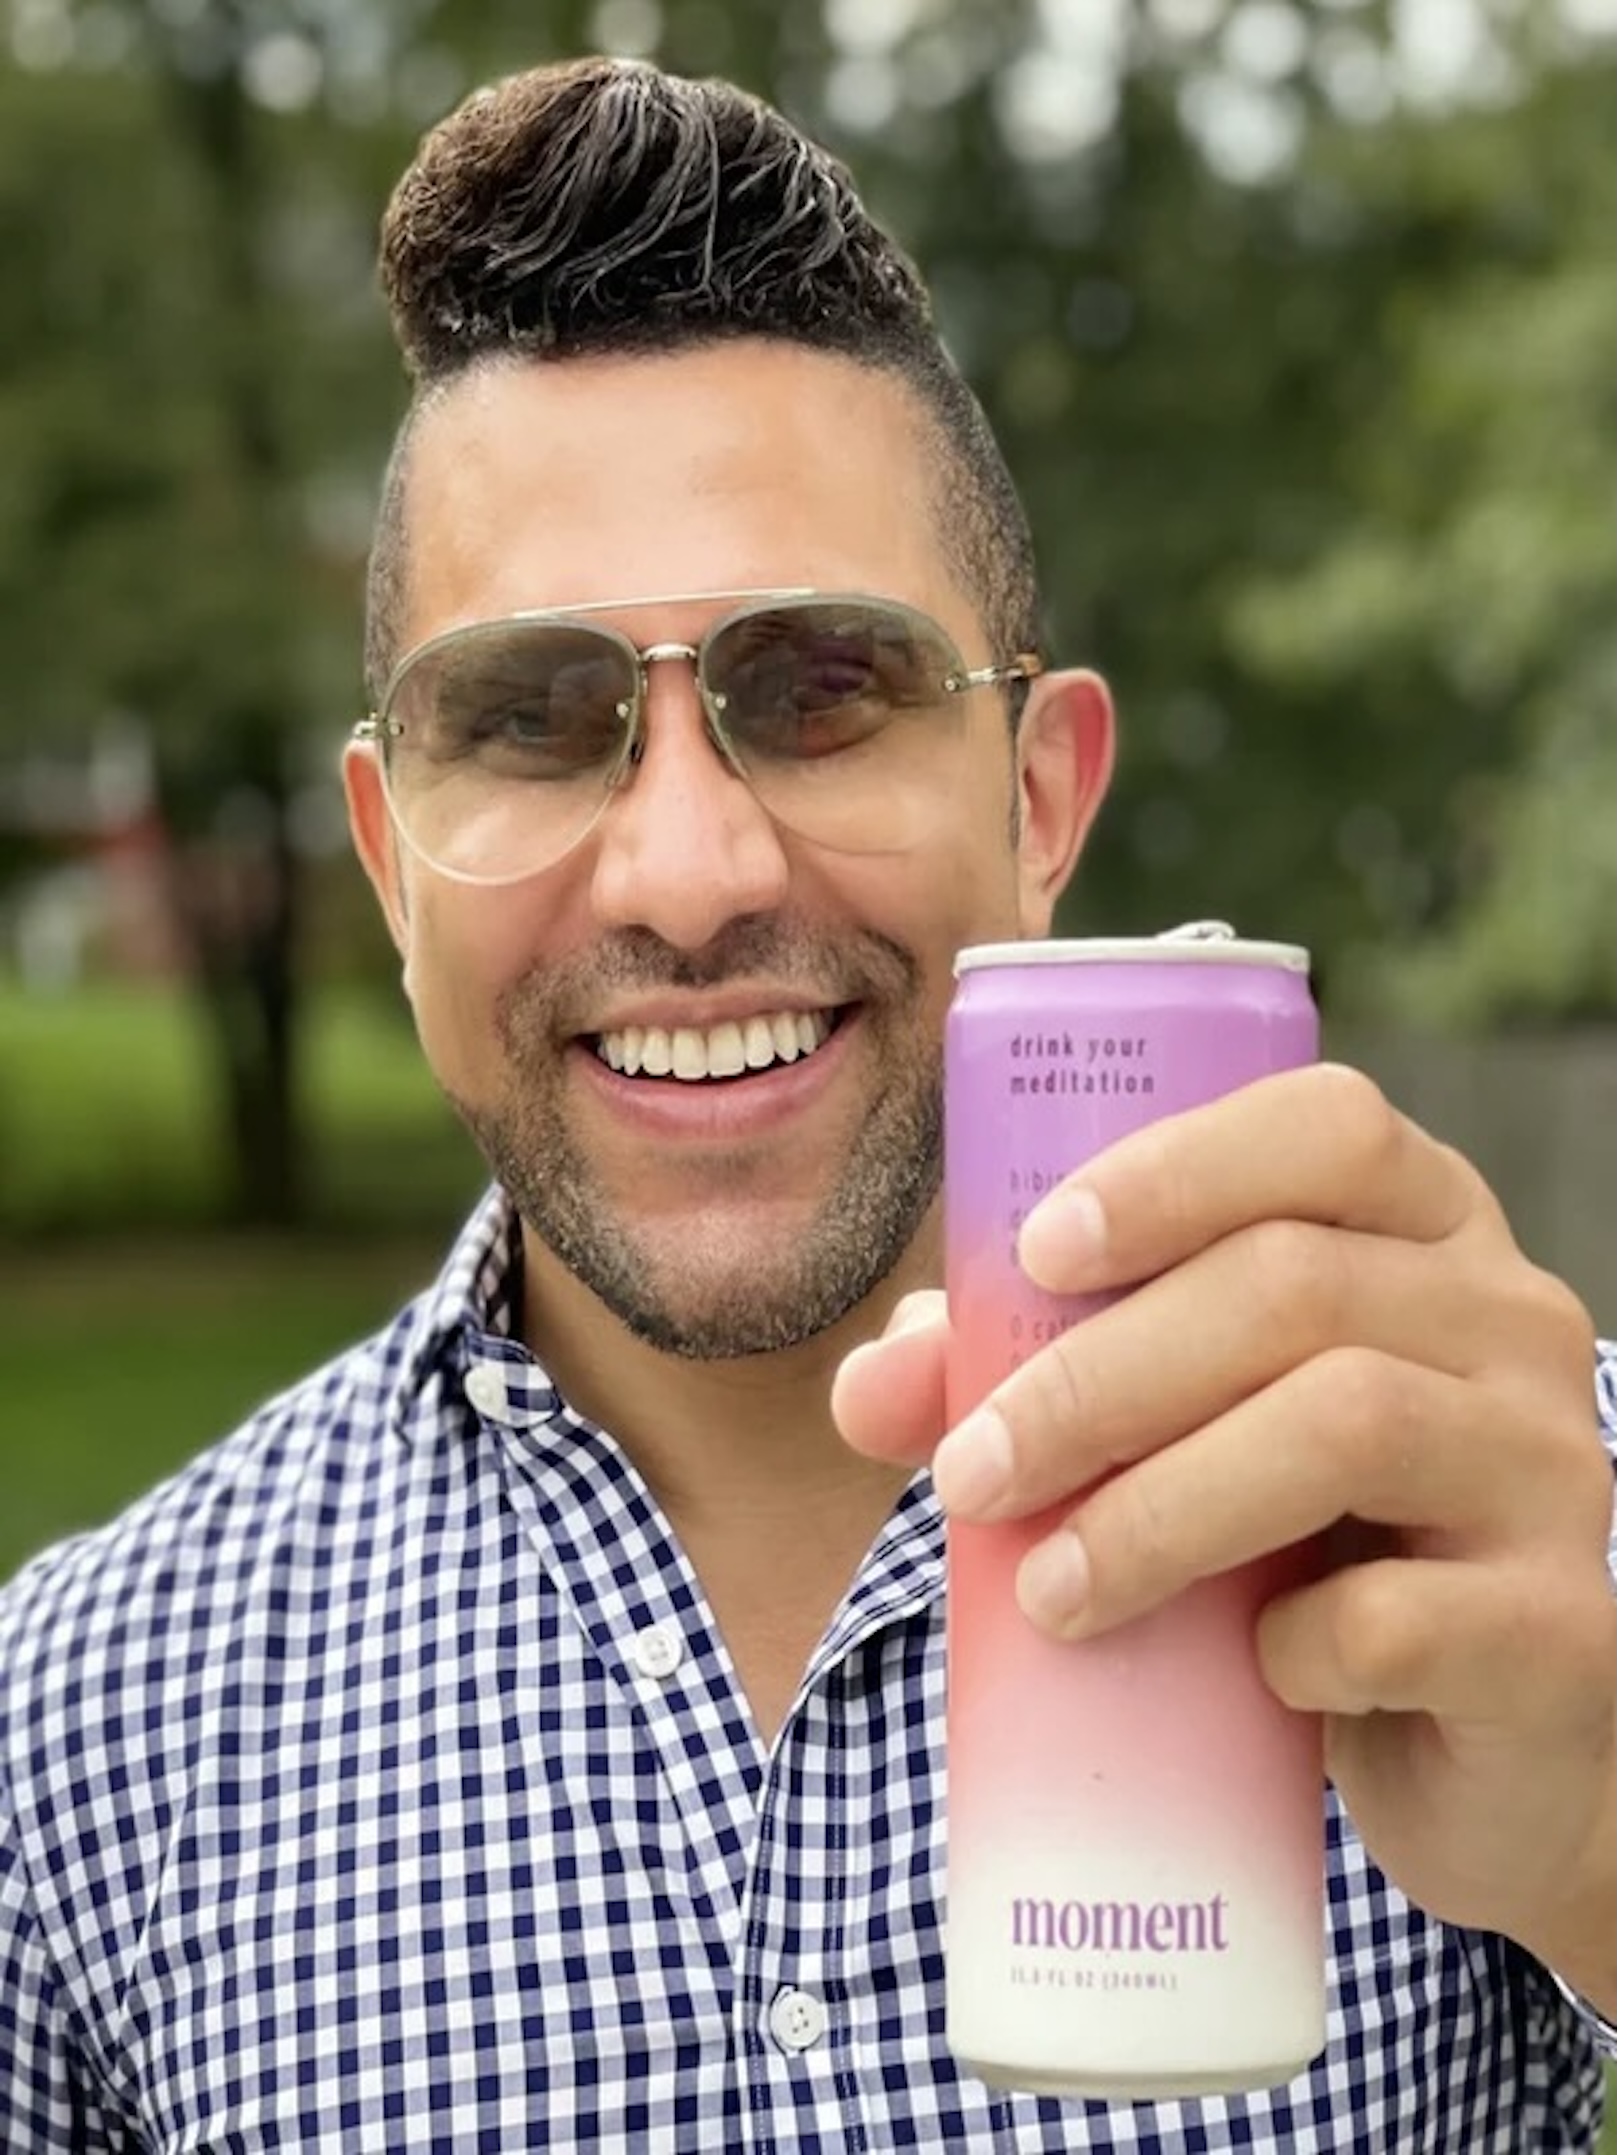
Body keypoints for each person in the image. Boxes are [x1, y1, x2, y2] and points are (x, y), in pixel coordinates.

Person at [2, 54, 1613, 2154]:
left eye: (823, 689)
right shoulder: (64, 1741)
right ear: (393, 868)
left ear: (1040, 797)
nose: (690, 874)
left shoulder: (1514, 1517)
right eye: (531, 717)